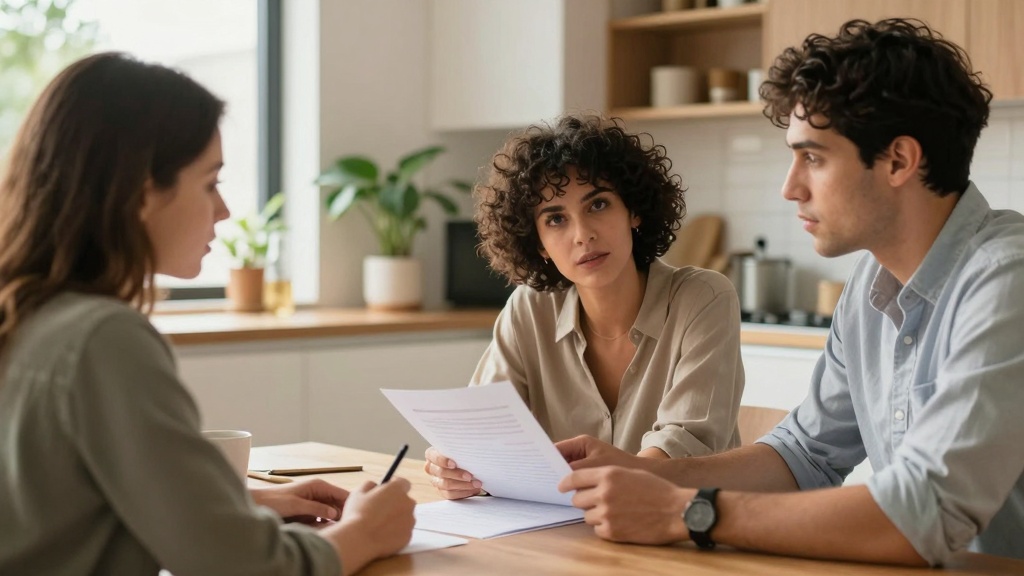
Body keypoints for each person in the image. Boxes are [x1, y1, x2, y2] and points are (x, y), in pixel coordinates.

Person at [554, 18, 1024, 566]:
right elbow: (806, 454)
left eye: (814, 158)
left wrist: (685, 511)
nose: (790, 186)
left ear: (899, 160)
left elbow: (923, 511)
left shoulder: (1006, 281)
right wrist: (648, 473)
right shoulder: (869, 289)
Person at [0, 52, 414, 576]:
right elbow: (242, 568)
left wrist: (236, 505)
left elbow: (62, 506)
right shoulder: (102, 338)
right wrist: (364, 533)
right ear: (142, 191)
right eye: (209, 182)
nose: (223, 210)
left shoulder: (26, 317)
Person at [425, 114, 745, 499]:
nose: (583, 235)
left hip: (688, 529)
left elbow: (686, 444)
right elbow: (486, 428)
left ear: (634, 210)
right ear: (538, 244)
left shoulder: (703, 298)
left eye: (598, 205)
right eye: (556, 219)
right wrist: (458, 465)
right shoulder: (529, 309)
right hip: (566, 534)